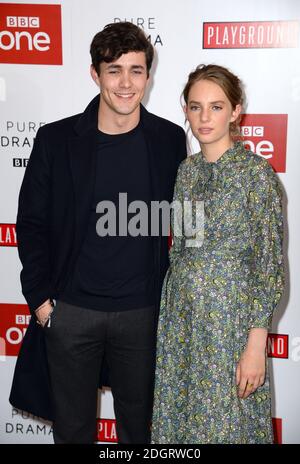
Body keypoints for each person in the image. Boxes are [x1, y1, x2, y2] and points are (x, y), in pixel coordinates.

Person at [9, 22, 186, 444]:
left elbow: (180, 224)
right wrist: (40, 301)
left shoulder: (169, 139)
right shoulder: (56, 140)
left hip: (143, 314)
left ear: (148, 75)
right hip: (71, 313)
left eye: (136, 70)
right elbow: (31, 223)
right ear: (95, 74)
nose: (126, 83)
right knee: (72, 432)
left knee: (138, 432)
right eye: (114, 70)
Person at [151, 64, 284, 444]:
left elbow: (269, 265)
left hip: (230, 325)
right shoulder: (186, 171)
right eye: (195, 107)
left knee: (228, 427)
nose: (204, 117)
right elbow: (180, 250)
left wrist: (256, 344)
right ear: (186, 111)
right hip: (181, 321)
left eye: (216, 107)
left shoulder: (256, 174)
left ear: (236, 111)